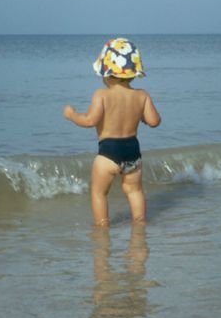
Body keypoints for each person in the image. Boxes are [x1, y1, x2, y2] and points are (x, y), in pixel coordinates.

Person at [63, 38, 161, 227]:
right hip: (133, 151)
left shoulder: (101, 95)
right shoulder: (142, 95)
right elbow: (154, 121)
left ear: (106, 73)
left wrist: (72, 115)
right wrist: (141, 116)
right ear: (133, 73)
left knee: (99, 193)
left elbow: (89, 121)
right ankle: (140, 224)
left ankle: (102, 226)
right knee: (135, 191)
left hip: (108, 152)